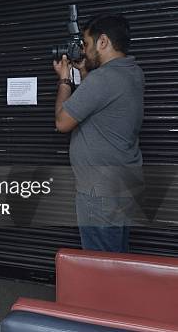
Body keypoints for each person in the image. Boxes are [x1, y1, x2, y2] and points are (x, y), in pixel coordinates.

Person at [54, 13, 145, 253]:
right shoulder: (132, 72)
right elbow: (100, 105)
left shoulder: (103, 79)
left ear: (103, 42)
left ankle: (106, 292)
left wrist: (64, 80)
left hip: (99, 190)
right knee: (117, 256)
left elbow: (62, 122)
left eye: (86, 44)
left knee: (100, 264)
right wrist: (85, 74)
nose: (83, 51)